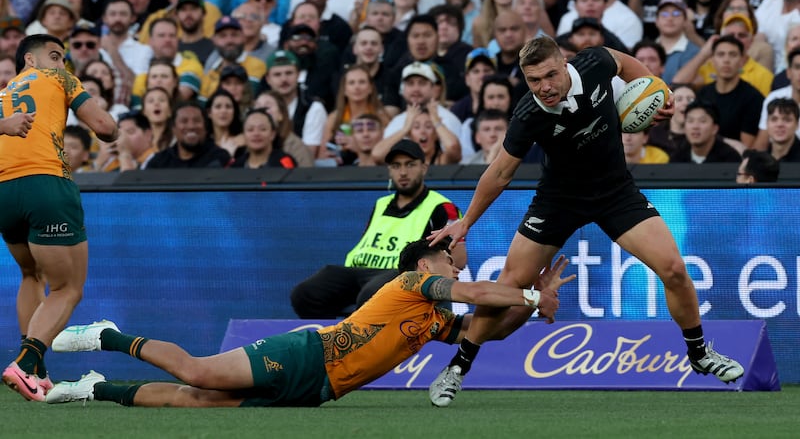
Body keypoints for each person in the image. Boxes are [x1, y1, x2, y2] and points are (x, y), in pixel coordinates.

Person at [426, 37, 745, 408]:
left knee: (674, 269)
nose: (544, 87)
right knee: (510, 283)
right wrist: (466, 222)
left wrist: (659, 92)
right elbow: (499, 173)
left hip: (615, 193)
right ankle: (458, 366)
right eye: (533, 80)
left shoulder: (594, 63)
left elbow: (624, 63)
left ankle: (699, 353)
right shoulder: (528, 115)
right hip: (558, 200)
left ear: (565, 65)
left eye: (550, 75)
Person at [44, 239, 572, 407]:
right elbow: (477, 295)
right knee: (198, 373)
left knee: (196, 401)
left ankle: (93, 389)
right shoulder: (413, 283)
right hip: (307, 355)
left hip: (319, 389)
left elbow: (486, 330)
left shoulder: (433, 320)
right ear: (424, 261)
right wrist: (530, 292)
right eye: (450, 259)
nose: (458, 266)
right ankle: (107, 335)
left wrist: (531, 305)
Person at [0, 34, 118, 402]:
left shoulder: (2, 96)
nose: (60, 63)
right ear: (29, 60)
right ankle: (25, 363)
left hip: (4, 192)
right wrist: (113, 126)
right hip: (46, 184)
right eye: (54, 55)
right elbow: (105, 127)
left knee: (30, 273)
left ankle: (37, 373)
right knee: (68, 288)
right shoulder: (60, 77)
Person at [291, 139, 465, 318]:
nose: (403, 172)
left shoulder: (441, 206)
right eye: (396, 166)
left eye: (410, 165)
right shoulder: (381, 204)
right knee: (306, 293)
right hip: (360, 271)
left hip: (403, 276)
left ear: (424, 168)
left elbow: (459, 258)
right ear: (389, 170)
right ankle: (331, 334)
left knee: (372, 294)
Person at [147, 102, 231, 169]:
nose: (191, 126)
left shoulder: (219, 158)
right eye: (184, 121)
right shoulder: (158, 163)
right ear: (173, 128)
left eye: (197, 121)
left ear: (206, 127)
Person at [669, 100, 743, 164]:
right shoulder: (677, 159)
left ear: (715, 128)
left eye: (702, 121)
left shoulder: (730, 159)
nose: (695, 126)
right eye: (690, 121)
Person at [229, 108, 297, 169]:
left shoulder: (285, 162)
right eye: (250, 129)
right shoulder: (235, 167)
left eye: (262, 129)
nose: (256, 134)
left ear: (272, 134)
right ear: (243, 135)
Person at [765, 98, 800, 162]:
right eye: (774, 119)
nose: (779, 124)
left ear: (797, 124)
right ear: (766, 123)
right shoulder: (759, 160)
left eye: (787, 120)